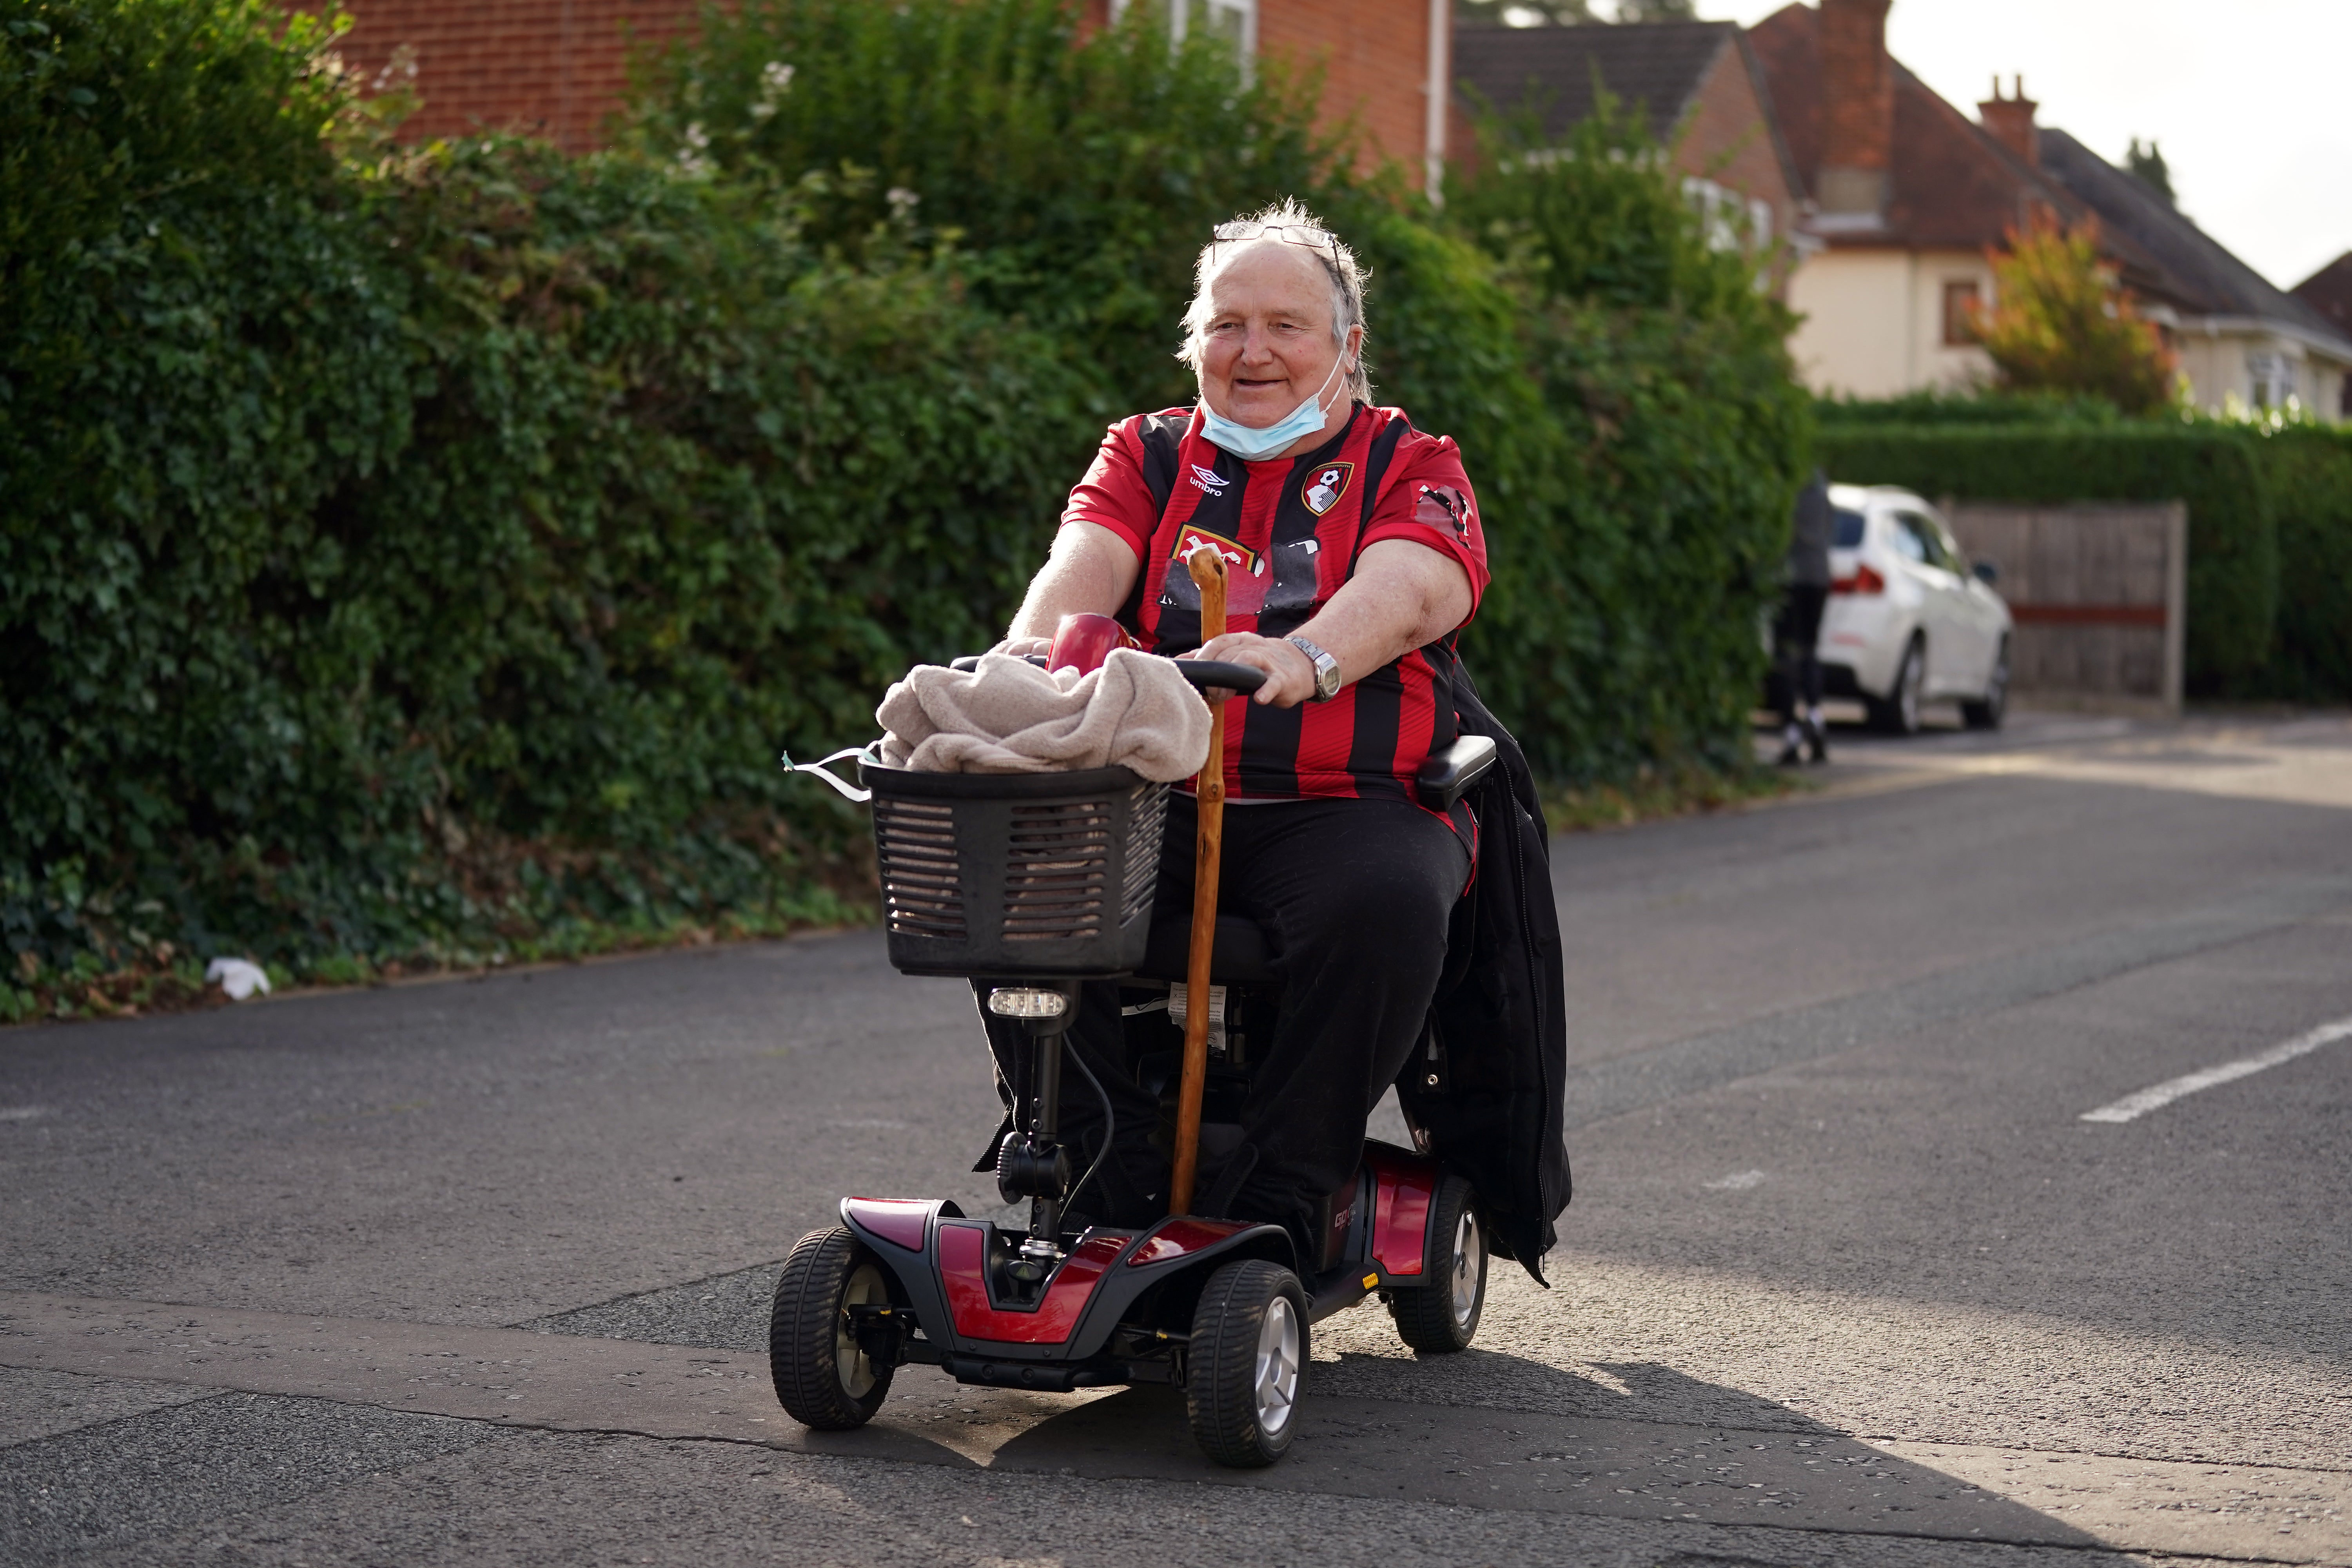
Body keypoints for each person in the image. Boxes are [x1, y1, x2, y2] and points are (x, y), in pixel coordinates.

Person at [975, 198, 1491, 1253]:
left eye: (1285, 326)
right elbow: (1078, 574)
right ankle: (1095, 1173)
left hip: (1346, 802)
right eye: (1226, 324)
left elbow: (1418, 586)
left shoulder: (1412, 461)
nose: (1252, 351)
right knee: (1012, 874)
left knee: (1385, 907)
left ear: (1348, 347)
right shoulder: (1149, 453)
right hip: (1150, 791)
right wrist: (1024, 663)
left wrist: (1306, 657)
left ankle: (1282, 1201)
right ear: (1195, 343)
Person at [1775, 468, 1833, 766]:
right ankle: (1815, 717)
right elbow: (1829, 528)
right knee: (1810, 649)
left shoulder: (1782, 481)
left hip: (1789, 576)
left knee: (1785, 653)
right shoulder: (1820, 484)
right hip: (1819, 577)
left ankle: (1791, 734)